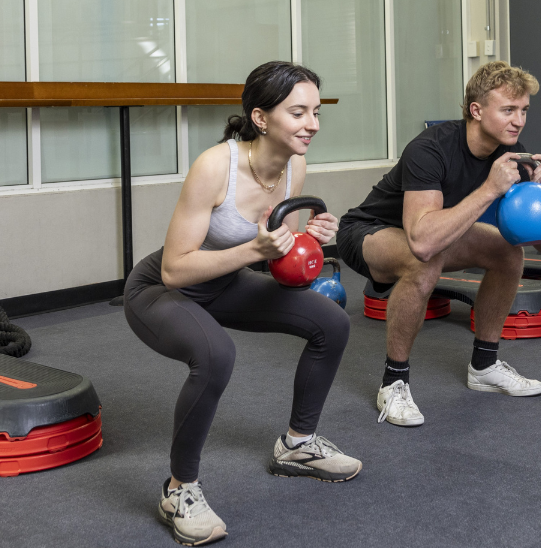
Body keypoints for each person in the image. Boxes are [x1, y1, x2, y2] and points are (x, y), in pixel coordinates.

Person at [123, 61, 362, 546]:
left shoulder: (295, 165)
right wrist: (257, 250)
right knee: (214, 356)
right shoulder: (216, 166)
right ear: (260, 117)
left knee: (331, 323)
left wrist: (306, 242)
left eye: (315, 112)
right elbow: (175, 268)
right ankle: (179, 490)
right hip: (162, 290)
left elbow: (277, 252)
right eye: (298, 113)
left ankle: (297, 446)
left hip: (226, 284)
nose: (312, 124)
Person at [337, 61, 541, 427]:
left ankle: (485, 366)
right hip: (369, 231)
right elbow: (422, 243)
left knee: (508, 251)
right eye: (508, 110)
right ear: (476, 110)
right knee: (422, 261)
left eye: (523, 110)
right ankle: (393, 382)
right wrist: (489, 189)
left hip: (433, 232)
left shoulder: (513, 153)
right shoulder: (431, 148)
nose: (518, 120)